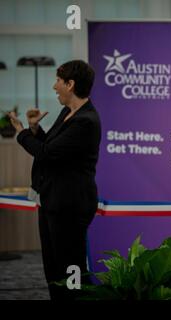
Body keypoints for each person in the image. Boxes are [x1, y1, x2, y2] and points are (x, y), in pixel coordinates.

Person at [9, 60, 101, 300]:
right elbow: (52, 146)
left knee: (71, 270)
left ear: (70, 84)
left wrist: (22, 133)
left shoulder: (85, 121)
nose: (54, 86)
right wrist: (34, 129)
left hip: (70, 205)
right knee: (53, 269)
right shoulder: (68, 112)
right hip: (53, 201)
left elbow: (46, 153)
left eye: (58, 81)